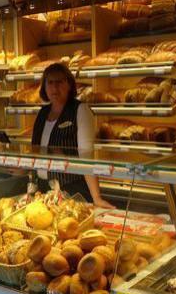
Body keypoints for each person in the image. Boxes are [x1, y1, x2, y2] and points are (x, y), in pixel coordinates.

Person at [31, 63, 115, 209]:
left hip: (71, 191)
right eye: (50, 82)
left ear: (69, 84)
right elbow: (35, 151)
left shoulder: (80, 110)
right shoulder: (42, 113)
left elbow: (86, 157)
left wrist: (96, 197)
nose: (54, 87)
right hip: (43, 191)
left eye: (60, 82)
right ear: (44, 87)